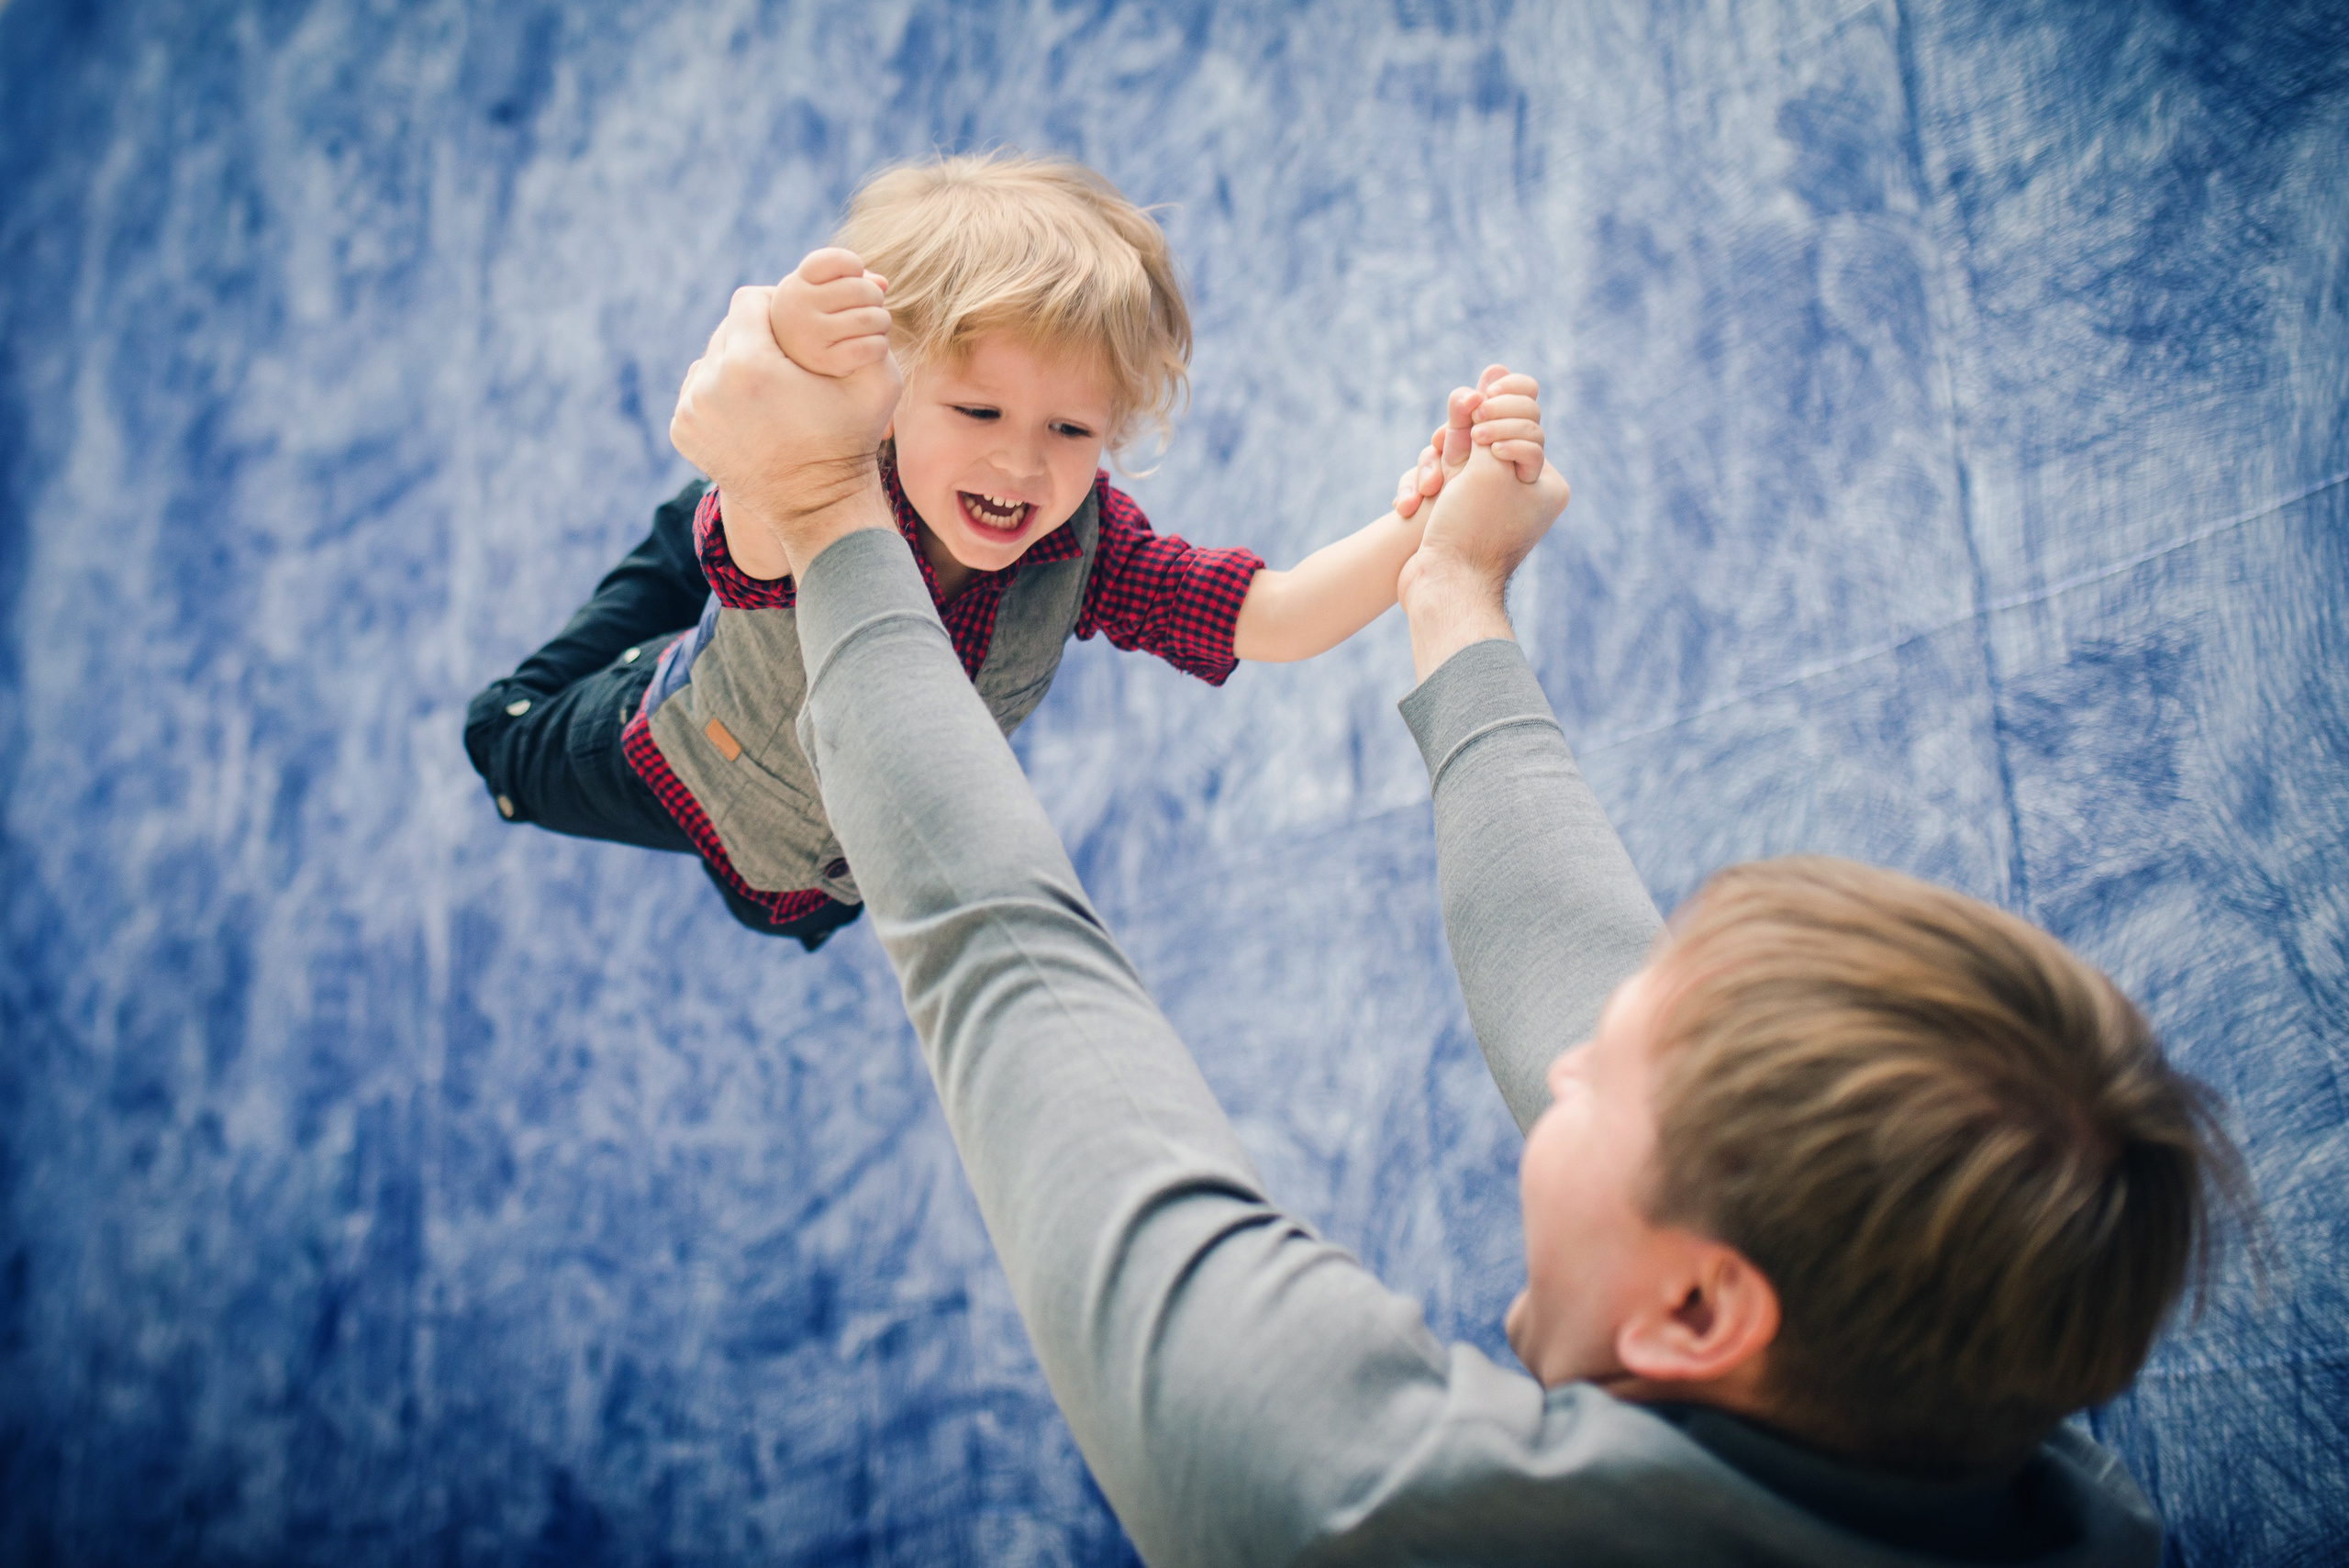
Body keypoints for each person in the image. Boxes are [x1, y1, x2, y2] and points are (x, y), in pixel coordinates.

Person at [664, 284, 2244, 1563]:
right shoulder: (2046, 1477)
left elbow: (1006, 952)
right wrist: (1454, 593)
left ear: (1700, 1307)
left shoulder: (1357, 1508)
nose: (1556, 1067)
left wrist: (820, 501)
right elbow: (1594, 985)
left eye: (1590, 1088)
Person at [462, 151, 1528, 949]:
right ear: (886, 395)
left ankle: (682, 533)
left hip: (807, 857)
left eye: (1069, 430)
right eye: (977, 410)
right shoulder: (829, 476)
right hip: (681, 748)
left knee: (717, 550)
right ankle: (633, 589)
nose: (1021, 465)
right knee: (508, 743)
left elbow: (1277, 615)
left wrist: (1426, 525)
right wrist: (793, 361)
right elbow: (759, 513)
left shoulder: (1082, 545)